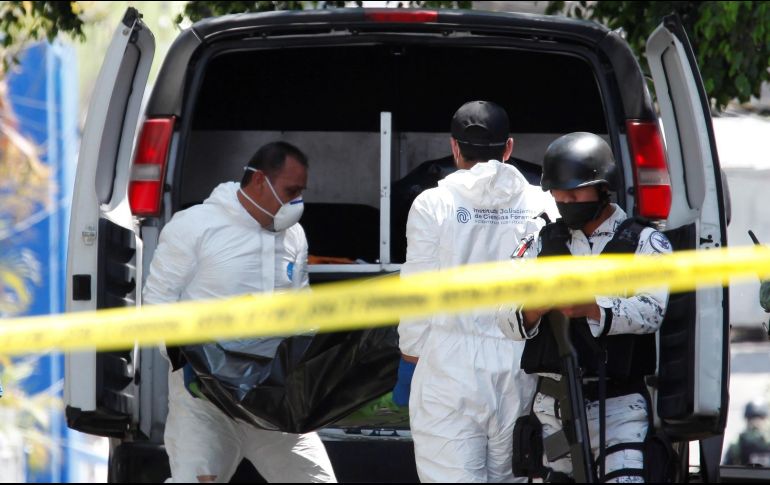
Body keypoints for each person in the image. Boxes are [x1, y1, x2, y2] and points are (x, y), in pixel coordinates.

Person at [143, 141, 336, 483]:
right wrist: (187, 361)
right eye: (291, 191)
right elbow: (156, 304)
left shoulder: (294, 236)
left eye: (300, 192)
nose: (297, 203)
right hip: (205, 402)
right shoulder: (194, 226)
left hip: (271, 400)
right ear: (261, 181)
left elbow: (303, 313)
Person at [497, 132, 672, 482]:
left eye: (575, 194)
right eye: (558, 194)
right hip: (554, 410)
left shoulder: (645, 242)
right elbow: (504, 318)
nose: (564, 201)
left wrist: (592, 308)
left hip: (619, 409)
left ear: (602, 189)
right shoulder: (541, 243)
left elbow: (652, 313)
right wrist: (535, 306)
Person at [398, 100, 558, 482]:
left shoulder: (432, 204)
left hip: (449, 367)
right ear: (509, 148)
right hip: (518, 367)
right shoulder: (542, 203)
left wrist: (412, 352)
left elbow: (418, 292)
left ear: (454, 148)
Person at [724, 401, 770, 466]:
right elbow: (727, 469)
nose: (756, 423)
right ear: (747, 420)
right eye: (752, 418)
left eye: (760, 418)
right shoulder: (737, 443)